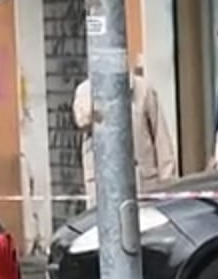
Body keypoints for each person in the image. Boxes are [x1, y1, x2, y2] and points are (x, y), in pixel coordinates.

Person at [72, 61, 177, 205]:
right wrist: (97, 92)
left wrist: (168, 184)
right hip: (104, 187)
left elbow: (161, 139)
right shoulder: (85, 91)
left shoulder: (143, 90)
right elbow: (82, 119)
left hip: (143, 184)